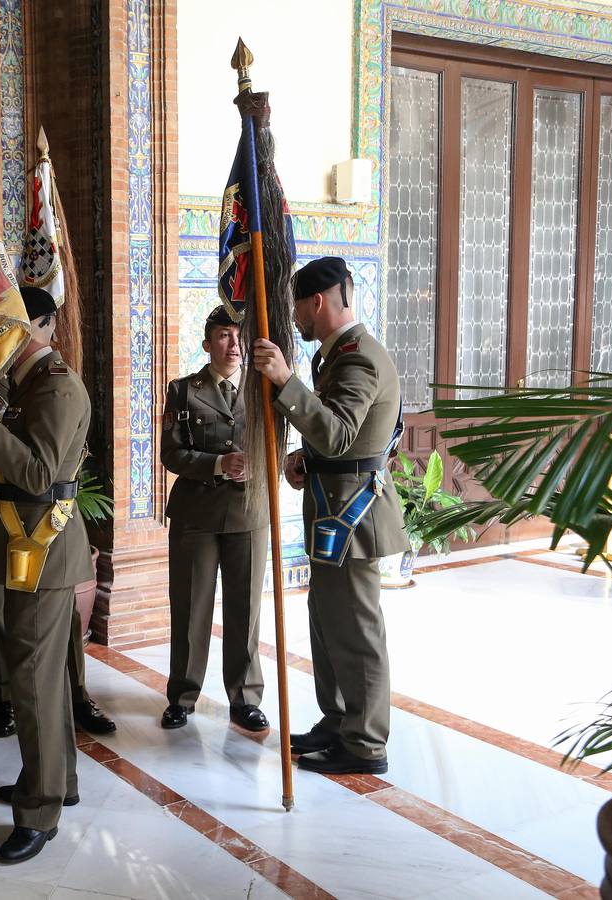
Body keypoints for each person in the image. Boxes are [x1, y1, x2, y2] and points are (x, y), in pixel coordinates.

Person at [251, 256, 407, 775]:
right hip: (333, 510)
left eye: (297, 306)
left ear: (316, 302)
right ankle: (339, 720)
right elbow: (343, 440)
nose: (294, 317)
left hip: (354, 517)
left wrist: (286, 380)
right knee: (327, 624)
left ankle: (365, 744)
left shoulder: (359, 357)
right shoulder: (336, 355)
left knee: (358, 632)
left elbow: (339, 433)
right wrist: (305, 458)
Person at [0, 286, 92, 864]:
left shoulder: (57, 385)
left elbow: (37, 472)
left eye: (8, 322)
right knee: (43, 679)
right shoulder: (25, 384)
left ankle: (40, 811)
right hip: (23, 546)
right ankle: (57, 781)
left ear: (42, 324)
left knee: (33, 682)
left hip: (46, 549)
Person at [0, 381, 116, 740]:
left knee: (59, 616)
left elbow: (47, 461)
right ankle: (3, 696)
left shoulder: (47, 379)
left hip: (45, 514)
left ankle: (76, 695)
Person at [159, 305, 267, 733]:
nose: (234, 343)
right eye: (224, 335)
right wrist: (220, 465)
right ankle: (182, 696)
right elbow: (171, 454)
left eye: (239, 335)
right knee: (190, 606)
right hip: (197, 515)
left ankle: (245, 699)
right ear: (206, 343)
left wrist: (259, 464)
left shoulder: (264, 392)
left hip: (248, 512)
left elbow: (277, 444)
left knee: (246, 609)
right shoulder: (184, 390)